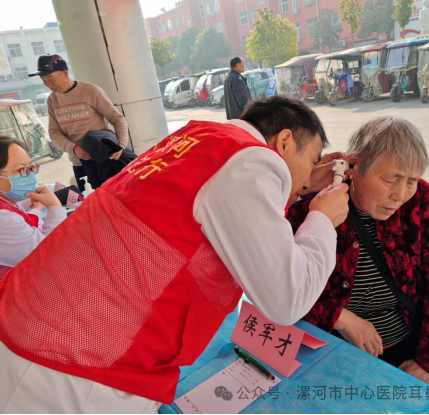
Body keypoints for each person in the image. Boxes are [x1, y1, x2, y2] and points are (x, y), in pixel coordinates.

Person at [0, 96, 350, 413]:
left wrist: (303, 179)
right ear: (284, 142)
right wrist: (322, 219)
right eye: (312, 160)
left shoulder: (198, 138)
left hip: (30, 325)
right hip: (73, 368)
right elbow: (287, 297)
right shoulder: (252, 160)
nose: (309, 179)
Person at [287, 115, 429, 393]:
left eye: (411, 180)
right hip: (334, 349)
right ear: (355, 166)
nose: (400, 195)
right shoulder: (317, 202)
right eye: (389, 179)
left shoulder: (422, 200)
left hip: (408, 347)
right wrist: (339, 316)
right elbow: (282, 280)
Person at [28, 54, 129, 192]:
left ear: (64, 73)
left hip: (105, 160)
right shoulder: (52, 99)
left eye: (51, 79)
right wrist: (75, 149)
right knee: (88, 200)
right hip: (79, 164)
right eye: (44, 81)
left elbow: (117, 118)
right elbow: (54, 132)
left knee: (116, 197)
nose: (49, 85)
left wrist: (121, 145)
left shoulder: (90, 90)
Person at [0, 134, 66, 280]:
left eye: (31, 167)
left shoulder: (8, 200)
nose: (30, 175)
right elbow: (47, 253)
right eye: (22, 169)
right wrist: (55, 206)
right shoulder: (3, 217)